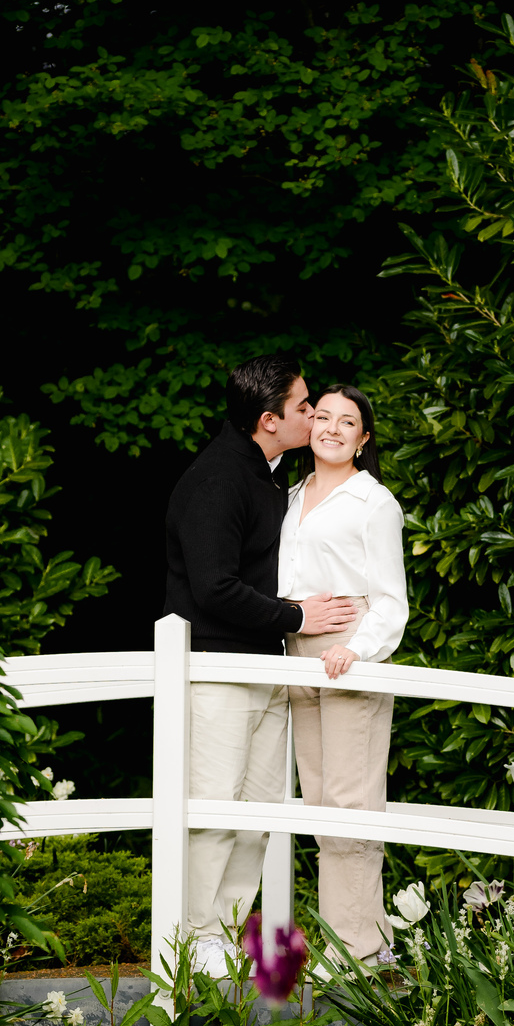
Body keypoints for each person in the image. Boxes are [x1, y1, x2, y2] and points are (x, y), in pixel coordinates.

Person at [164, 353, 356, 977]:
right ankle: (188, 941)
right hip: (218, 670)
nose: (315, 415)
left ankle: (220, 936)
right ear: (270, 420)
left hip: (266, 669)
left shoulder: (271, 478)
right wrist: (298, 618)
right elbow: (215, 588)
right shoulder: (215, 480)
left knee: (258, 810)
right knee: (214, 807)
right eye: (304, 408)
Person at [279, 383, 408, 965]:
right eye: (321, 416)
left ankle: (354, 951)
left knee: (350, 802)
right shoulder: (290, 494)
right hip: (295, 645)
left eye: (346, 421)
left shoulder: (373, 502)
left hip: (346, 650)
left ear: (364, 438)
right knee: (318, 804)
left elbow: (390, 600)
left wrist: (356, 649)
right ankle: (359, 937)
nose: (330, 427)